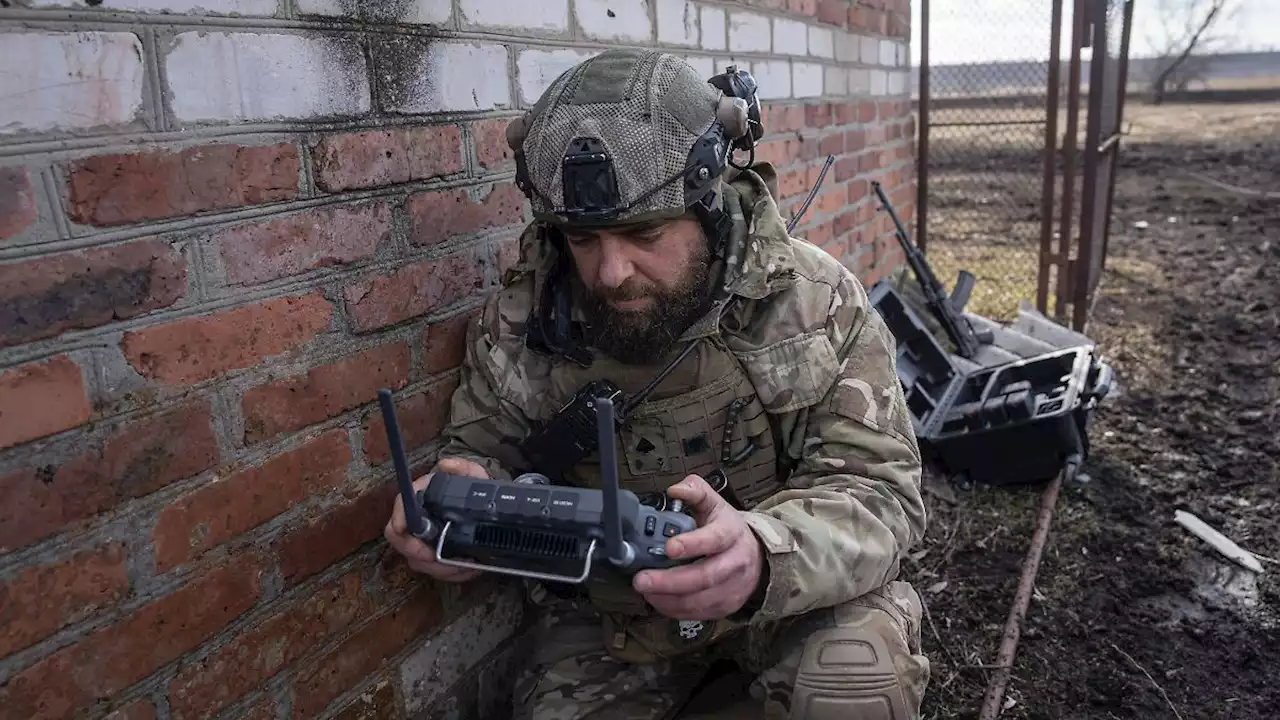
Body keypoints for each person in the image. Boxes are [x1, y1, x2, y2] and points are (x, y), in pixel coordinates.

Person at [384, 48, 930, 720]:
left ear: (709, 206)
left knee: (852, 691)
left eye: (644, 233)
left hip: (793, 600)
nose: (612, 272)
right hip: (618, 623)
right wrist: (453, 504)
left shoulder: (812, 301)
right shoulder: (525, 319)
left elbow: (884, 494)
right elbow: (482, 452)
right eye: (584, 240)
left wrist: (762, 554)